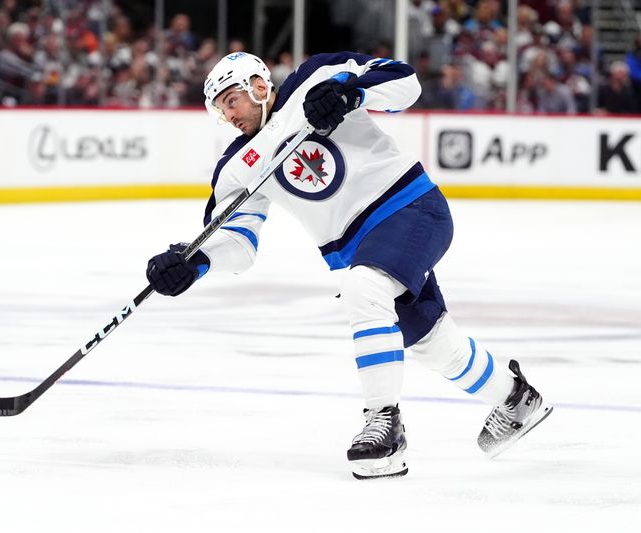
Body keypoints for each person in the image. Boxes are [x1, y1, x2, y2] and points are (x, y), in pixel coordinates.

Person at [145, 51, 553, 479]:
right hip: (360, 252)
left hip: (409, 208)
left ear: (258, 87)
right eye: (220, 110)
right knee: (433, 344)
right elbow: (237, 242)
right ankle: (516, 398)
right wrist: (193, 262)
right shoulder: (236, 168)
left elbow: (404, 82)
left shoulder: (315, 78)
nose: (228, 116)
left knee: (365, 289)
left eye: (231, 101)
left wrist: (350, 92)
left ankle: (384, 424)